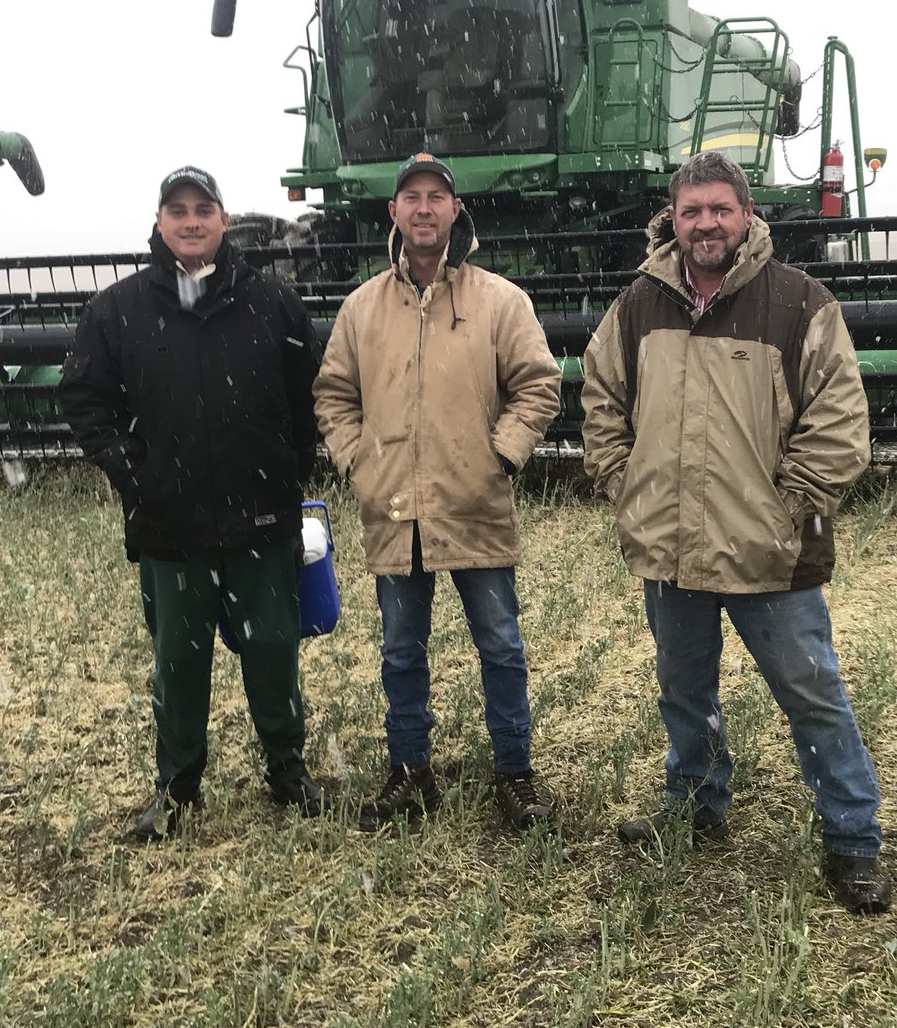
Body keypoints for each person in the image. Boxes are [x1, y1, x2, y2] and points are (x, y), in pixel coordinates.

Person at [581, 151, 890, 915]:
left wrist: (790, 505)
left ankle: (853, 838)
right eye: (692, 211)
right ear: (673, 221)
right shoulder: (638, 306)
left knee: (811, 693)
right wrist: (628, 487)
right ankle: (696, 804)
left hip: (770, 551)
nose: (706, 223)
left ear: (747, 216)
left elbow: (841, 423)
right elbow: (601, 401)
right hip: (672, 548)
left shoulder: (798, 303)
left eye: (720, 209)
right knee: (684, 692)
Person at [61, 166, 325, 839]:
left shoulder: (274, 304)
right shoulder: (116, 312)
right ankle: (177, 790)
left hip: (262, 520)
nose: (190, 221)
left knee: (272, 648)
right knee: (178, 661)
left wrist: (288, 476)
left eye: (203, 209)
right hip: (169, 526)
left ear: (224, 220)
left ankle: (288, 772)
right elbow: (84, 399)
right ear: (159, 223)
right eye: (176, 210)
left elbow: (306, 402)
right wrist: (134, 474)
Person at [313, 153, 562, 831]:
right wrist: (358, 463)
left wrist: (500, 458)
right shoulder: (361, 309)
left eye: (436, 197)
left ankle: (514, 772)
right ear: (392, 212)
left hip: (475, 501)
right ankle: (410, 772)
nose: (424, 208)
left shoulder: (499, 301)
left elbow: (539, 385)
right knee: (401, 650)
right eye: (411, 197)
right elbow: (334, 394)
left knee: (501, 646)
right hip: (394, 508)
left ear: (456, 211)